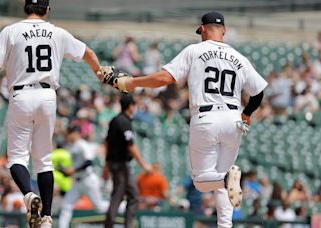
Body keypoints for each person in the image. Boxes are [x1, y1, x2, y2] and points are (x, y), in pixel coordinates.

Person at [103, 12, 268, 227]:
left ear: (203, 29)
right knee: (224, 183)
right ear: (224, 32)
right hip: (233, 120)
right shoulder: (240, 58)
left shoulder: (195, 50)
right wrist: (246, 114)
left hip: (206, 117)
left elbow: (165, 78)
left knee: (202, 182)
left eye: (201, 32)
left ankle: (227, 179)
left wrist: (132, 82)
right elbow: (258, 93)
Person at [0, 0, 103, 227]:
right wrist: (100, 73)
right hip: (47, 97)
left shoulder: (11, 31)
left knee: (16, 159)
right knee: (44, 162)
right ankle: (47, 216)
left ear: (25, 8)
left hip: (20, 96)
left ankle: (29, 195)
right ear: (47, 10)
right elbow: (88, 53)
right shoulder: (57, 33)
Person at [103, 94, 152, 228]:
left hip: (115, 164)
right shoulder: (124, 121)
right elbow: (131, 145)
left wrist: (105, 166)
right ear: (130, 106)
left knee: (132, 196)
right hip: (120, 165)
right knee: (118, 196)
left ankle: (124, 225)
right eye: (134, 105)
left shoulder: (114, 120)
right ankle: (109, 225)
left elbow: (106, 143)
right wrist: (144, 165)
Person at [58, 126, 108, 228]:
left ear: (75, 133)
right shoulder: (72, 146)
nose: (67, 136)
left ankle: (122, 206)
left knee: (100, 207)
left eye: (69, 134)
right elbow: (77, 166)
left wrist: (73, 170)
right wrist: (66, 171)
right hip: (77, 182)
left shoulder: (82, 144)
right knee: (66, 206)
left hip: (88, 180)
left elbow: (89, 162)